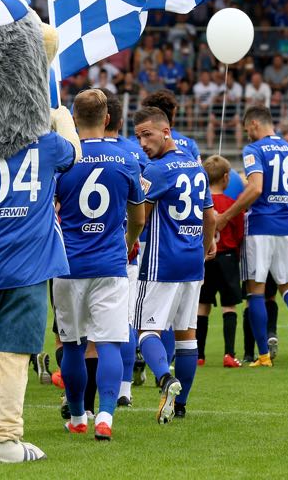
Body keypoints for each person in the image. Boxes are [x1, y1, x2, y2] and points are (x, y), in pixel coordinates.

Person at [55, 89, 145, 441]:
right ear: (108, 119)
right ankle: (105, 415)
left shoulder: (64, 159)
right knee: (109, 343)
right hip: (110, 264)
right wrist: (125, 246)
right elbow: (137, 217)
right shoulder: (126, 160)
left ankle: (79, 416)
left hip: (69, 266)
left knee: (73, 344)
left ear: (74, 119)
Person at [216, 105, 288, 368]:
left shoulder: (254, 150)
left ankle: (262, 355)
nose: (246, 133)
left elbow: (256, 188)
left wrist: (226, 216)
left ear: (255, 125)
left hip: (259, 227)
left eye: (247, 128)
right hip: (286, 228)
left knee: (256, 291)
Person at [133, 106, 216, 423]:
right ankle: (180, 407)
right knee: (187, 334)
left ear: (166, 132)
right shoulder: (197, 168)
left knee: (145, 330)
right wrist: (206, 245)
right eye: (139, 136)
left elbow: (141, 216)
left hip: (161, 261)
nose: (143, 143)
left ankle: (165, 379)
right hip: (193, 261)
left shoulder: (156, 171)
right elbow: (210, 216)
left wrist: (129, 241)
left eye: (148, 134)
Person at [98, 89, 150, 405]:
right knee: (124, 322)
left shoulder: (79, 151)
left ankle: (79, 401)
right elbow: (143, 203)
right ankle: (124, 390)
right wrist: (130, 241)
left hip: (83, 252)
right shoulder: (135, 153)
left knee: (84, 333)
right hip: (125, 250)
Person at [196, 155, 245, 368]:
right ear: (226, 178)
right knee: (229, 306)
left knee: (201, 306)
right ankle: (229, 354)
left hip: (205, 258)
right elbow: (239, 233)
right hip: (227, 257)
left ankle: (198, 354)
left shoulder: (200, 203)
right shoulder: (233, 205)